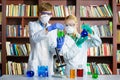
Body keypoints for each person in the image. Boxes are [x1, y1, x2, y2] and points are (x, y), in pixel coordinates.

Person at [27, 2, 64, 76]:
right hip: (36, 62)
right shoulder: (32, 25)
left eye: (48, 14)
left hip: (48, 63)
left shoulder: (54, 29)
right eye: (44, 13)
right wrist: (48, 29)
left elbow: (52, 49)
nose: (46, 16)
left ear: (51, 15)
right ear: (39, 13)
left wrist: (58, 47)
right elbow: (34, 39)